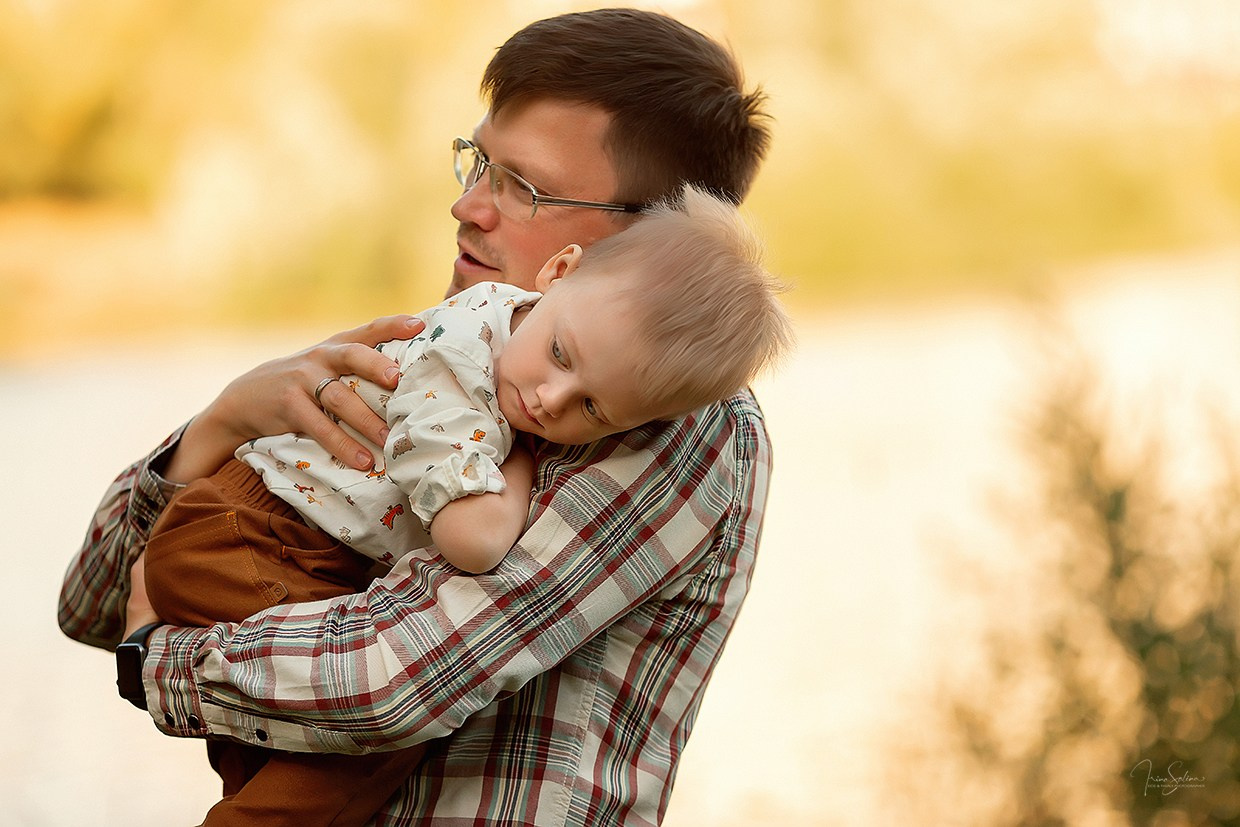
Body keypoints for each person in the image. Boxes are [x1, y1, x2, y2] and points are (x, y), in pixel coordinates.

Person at [59, 8, 777, 825]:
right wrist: (219, 428)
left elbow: (397, 679)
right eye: (478, 164)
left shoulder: (678, 427)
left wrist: (159, 663)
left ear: (647, 232)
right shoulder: (454, 354)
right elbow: (90, 607)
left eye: (524, 186)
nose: (468, 206)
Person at [140, 185, 790, 825]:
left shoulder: (658, 410)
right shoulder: (458, 369)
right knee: (366, 751)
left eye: (591, 408)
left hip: (277, 537)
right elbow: (472, 541)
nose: (550, 400)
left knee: (288, 761)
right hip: (257, 534)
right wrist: (517, 463)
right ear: (558, 271)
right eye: (560, 354)